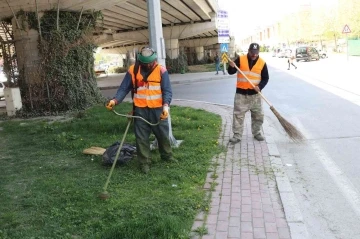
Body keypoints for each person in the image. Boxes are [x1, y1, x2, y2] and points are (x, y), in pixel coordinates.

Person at [106, 46, 176, 174]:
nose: (148, 65)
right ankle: (144, 162)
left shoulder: (161, 71)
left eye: (150, 62)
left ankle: (167, 156)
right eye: (145, 63)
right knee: (141, 137)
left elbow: (167, 91)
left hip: (158, 109)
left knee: (163, 135)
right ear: (140, 61)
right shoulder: (133, 71)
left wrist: (166, 107)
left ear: (154, 59)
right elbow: (123, 88)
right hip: (140, 110)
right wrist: (114, 100)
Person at [227, 43, 269, 143]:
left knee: (258, 116)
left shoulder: (262, 63)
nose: (254, 55)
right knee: (238, 115)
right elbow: (231, 71)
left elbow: (265, 78)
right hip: (241, 95)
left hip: (255, 96)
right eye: (252, 52)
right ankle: (237, 136)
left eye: (256, 53)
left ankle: (257, 133)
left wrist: (260, 86)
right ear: (249, 51)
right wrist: (231, 66)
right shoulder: (240, 59)